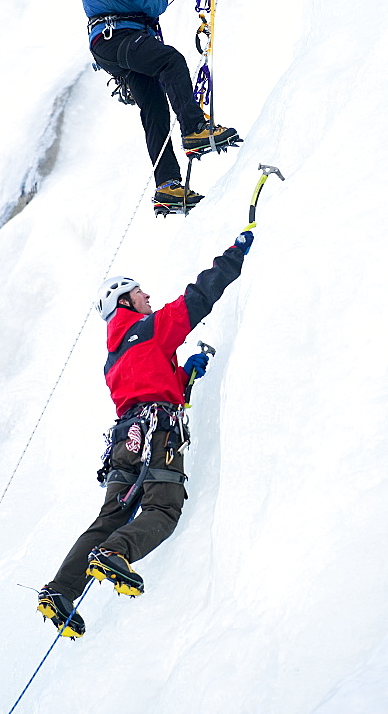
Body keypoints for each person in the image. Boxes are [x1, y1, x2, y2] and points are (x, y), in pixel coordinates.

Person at [37, 229, 255, 638]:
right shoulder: (151, 328)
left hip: (125, 439)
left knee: (111, 516)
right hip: (157, 431)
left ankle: (61, 591)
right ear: (125, 301)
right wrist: (234, 254)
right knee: (163, 509)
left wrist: (183, 374)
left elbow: (149, 386)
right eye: (139, 293)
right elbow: (198, 298)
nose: (147, 297)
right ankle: (116, 553)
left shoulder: (114, 355)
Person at [59, 0, 241, 213]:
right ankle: (195, 128)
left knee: (154, 106)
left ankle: (167, 185)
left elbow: (157, 2)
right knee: (171, 61)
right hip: (111, 37)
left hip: (129, 44)